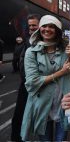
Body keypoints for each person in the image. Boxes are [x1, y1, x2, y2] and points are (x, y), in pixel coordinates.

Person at [20, 15, 70, 141]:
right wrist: (60, 73)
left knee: (60, 139)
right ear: (39, 29)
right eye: (44, 26)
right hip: (42, 104)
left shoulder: (65, 49)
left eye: (52, 26)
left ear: (57, 30)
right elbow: (32, 81)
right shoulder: (31, 52)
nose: (47, 29)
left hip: (63, 103)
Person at [11, 14, 40, 142]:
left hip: (42, 84)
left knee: (45, 118)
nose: (31, 27)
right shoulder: (27, 40)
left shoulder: (44, 40)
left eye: (34, 25)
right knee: (19, 116)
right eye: (30, 25)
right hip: (26, 85)